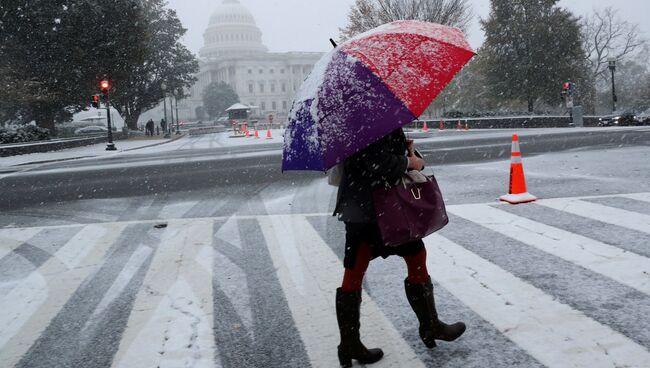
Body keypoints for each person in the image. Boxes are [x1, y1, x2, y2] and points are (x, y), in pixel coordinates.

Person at [333, 127, 466, 367]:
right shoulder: (373, 116)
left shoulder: (357, 117)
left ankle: (350, 343)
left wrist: (408, 153)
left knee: (358, 270)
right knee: (412, 255)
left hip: (360, 206)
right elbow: (376, 161)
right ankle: (430, 326)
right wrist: (410, 162)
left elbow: (373, 157)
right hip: (378, 207)